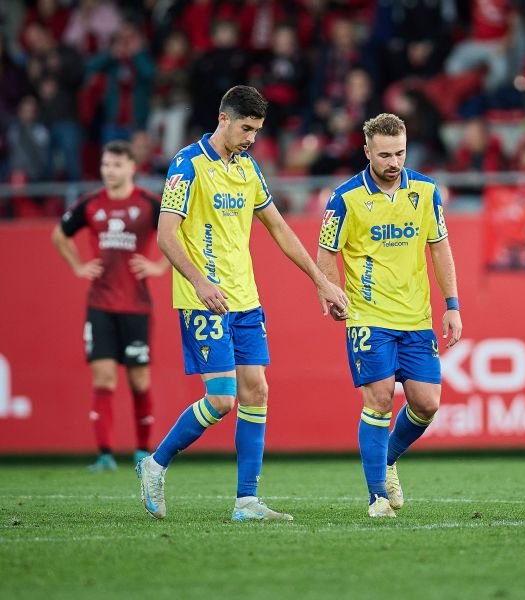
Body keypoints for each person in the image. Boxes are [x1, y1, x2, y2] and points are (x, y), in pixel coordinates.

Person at [135, 85, 347, 521]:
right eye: (246, 128)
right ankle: (154, 464)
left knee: (257, 391)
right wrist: (198, 281)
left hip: (246, 298)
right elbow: (166, 235)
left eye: (258, 130)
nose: (252, 137)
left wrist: (321, 281)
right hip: (204, 301)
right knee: (222, 398)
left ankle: (246, 501)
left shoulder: (248, 169)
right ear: (223, 119)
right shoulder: (187, 166)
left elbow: (280, 228)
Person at [317, 113, 462, 518]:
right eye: (384, 154)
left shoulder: (426, 191)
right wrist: (330, 291)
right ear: (367, 151)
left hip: (416, 318)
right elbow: (326, 252)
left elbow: (440, 249)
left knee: (427, 404)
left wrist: (452, 306)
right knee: (379, 399)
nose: (393, 162)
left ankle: (388, 459)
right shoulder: (344, 199)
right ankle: (377, 496)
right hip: (368, 316)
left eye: (399, 153)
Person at [52, 140, 169, 472]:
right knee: (103, 378)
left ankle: (142, 451)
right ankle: (104, 454)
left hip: (136, 306)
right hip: (100, 304)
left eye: (117, 165)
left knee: (139, 380)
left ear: (132, 167)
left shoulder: (148, 203)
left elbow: (180, 235)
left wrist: (159, 266)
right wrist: (77, 266)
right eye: (105, 165)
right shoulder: (90, 204)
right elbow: (59, 235)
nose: (110, 171)